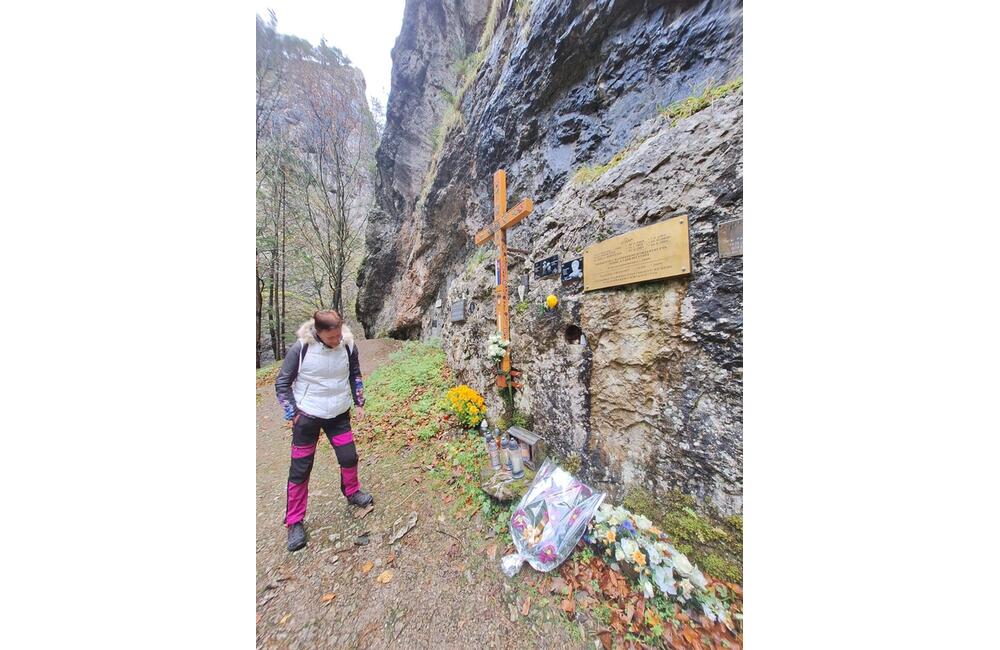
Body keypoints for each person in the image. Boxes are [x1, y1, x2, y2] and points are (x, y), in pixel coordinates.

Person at [275, 310, 373, 552]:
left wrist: (359, 402)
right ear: (318, 332)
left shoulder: (348, 346)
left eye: (339, 334)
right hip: (308, 417)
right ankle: (295, 521)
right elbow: (282, 383)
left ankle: (352, 492)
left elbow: (355, 375)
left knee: (349, 457)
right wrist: (293, 413)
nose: (336, 340)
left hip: (338, 415)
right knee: (300, 469)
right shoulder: (301, 349)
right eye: (331, 337)